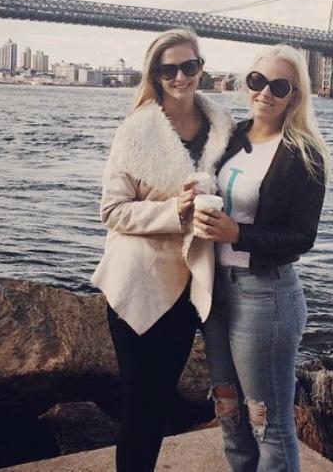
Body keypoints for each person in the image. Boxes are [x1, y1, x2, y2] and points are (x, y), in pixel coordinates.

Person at [91, 29, 234, 472]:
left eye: (189, 66)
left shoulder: (225, 128)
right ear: (154, 75)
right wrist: (176, 209)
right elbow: (112, 211)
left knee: (160, 404)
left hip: (190, 287)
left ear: (201, 68)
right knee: (138, 408)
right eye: (168, 69)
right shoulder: (134, 132)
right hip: (139, 283)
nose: (180, 77)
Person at [194, 44, 330, 472]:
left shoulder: (303, 153)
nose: (265, 92)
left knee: (266, 422)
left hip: (265, 296)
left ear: (294, 96)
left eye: (279, 86)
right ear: (246, 83)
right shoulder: (230, 138)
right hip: (215, 291)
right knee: (229, 412)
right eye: (257, 81)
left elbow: (302, 237)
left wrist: (239, 234)